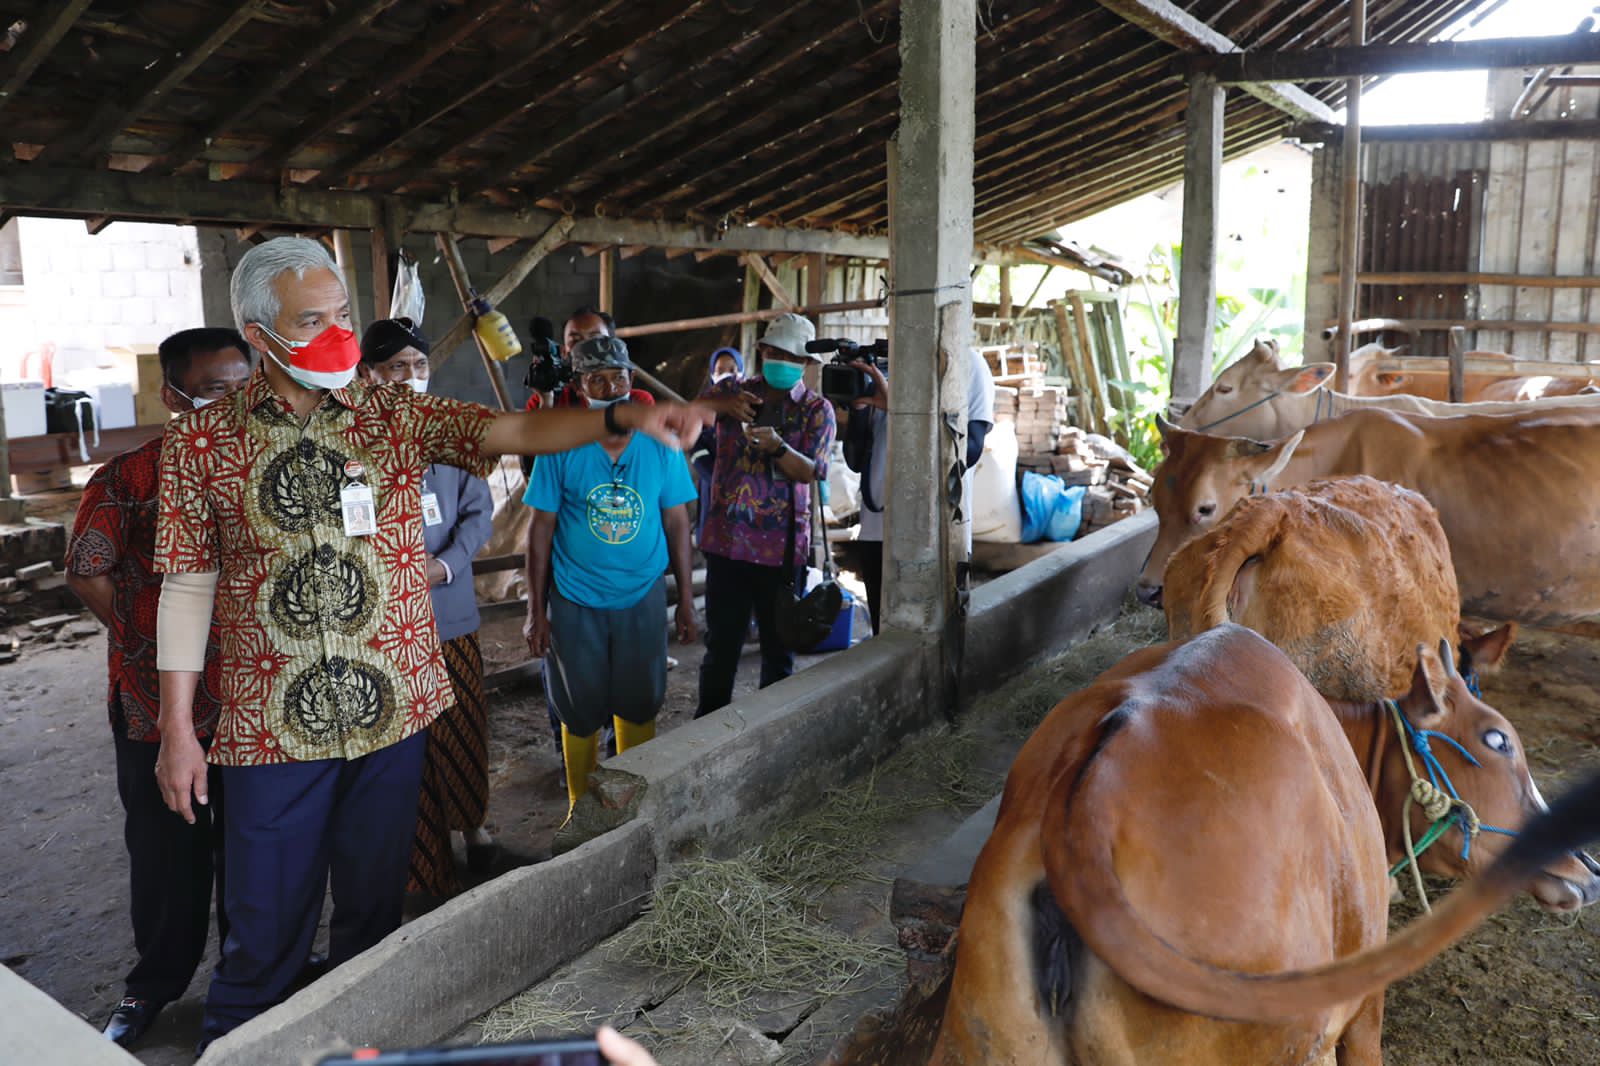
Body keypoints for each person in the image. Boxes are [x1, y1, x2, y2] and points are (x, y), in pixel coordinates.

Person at [150, 237, 704, 1052]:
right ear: (258, 333)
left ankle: (364, 1051)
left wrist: (622, 415)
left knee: (375, 921)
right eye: (314, 320)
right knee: (264, 931)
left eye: (344, 314)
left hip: (393, 708)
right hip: (272, 729)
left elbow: (508, 427)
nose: (339, 334)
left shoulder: (392, 415)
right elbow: (189, 583)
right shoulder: (203, 445)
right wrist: (175, 728)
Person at [63, 327, 251, 1048]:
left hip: (254, 701)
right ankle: (154, 988)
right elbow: (87, 565)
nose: (233, 403)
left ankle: (250, 978)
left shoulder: (265, 468)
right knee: (168, 853)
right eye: (213, 390)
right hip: (156, 707)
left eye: (245, 386)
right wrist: (142, 642)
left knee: (253, 846)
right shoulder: (131, 477)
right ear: (173, 396)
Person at [522, 336, 698, 813]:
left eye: (617, 376)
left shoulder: (660, 443)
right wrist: (536, 611)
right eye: (596, 379)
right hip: (576, 596)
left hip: (641, 593)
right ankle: (582, 812)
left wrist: (684, 597)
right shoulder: (561, 443)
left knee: (640, 701)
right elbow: (541, 528)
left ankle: (633, 807)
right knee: (579, 710)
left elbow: (678, 521)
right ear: (580, 387)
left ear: (631, 380)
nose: (609, 385)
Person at [358, 317, 497, 900]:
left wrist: (445, 565)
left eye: (420, 366)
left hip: (450, 614)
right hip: (386, 628)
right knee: (405, 744)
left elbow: (478, 512)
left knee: (462, 726)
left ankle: (475, 826)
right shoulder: (354, 438)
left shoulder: (445, 431)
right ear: (368, 374)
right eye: (397, 368)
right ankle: (424, 866)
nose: (411, 377)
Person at [693, 313, 835, 718]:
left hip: (780, 552)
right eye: (772, 352)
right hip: (726, 544)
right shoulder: (733, 392)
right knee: (720, 647)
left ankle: (771, 729)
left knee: (778, 651)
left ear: (806, 363)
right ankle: (705, 733)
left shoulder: (815, 411)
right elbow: (688, 417)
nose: (779, 360)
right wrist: (719, 403)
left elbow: (812, 471)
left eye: (789, 355)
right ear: (761, 352)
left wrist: (777, 448)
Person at [846, 345, 995, 633]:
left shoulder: (967, 364)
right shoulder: (881, 365)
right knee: (884, 637)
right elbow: (854, 460)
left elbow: (969, 452)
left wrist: (901, 412)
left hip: (936, 531)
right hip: (877, 529)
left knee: (933, 638)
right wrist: (859, 409)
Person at [689, 347, 743, 546]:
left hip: (745, 489)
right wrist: (715, 479)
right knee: (714, 538)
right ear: (712, 373)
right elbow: (696, 447)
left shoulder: (751, 404)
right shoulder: (703, 405)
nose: (727, 375)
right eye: (720, 370)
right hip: (711, 482)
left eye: (733, 369)